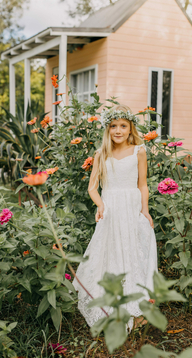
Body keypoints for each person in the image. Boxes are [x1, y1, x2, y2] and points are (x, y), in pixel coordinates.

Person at [73, 104, 158, 329]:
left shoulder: (139, 151)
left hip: (131, 208)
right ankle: (109, 308)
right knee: (110, 253)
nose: (118, 131)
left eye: (123, 126)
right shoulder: (101, 154)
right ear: (107, 129)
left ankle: (136, 310)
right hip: (110, 209)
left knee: (133, 252)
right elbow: (92, 188)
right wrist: (100, 205)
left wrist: (145, 210)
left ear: (131, 129)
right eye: (113, 126)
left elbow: (142, 184)